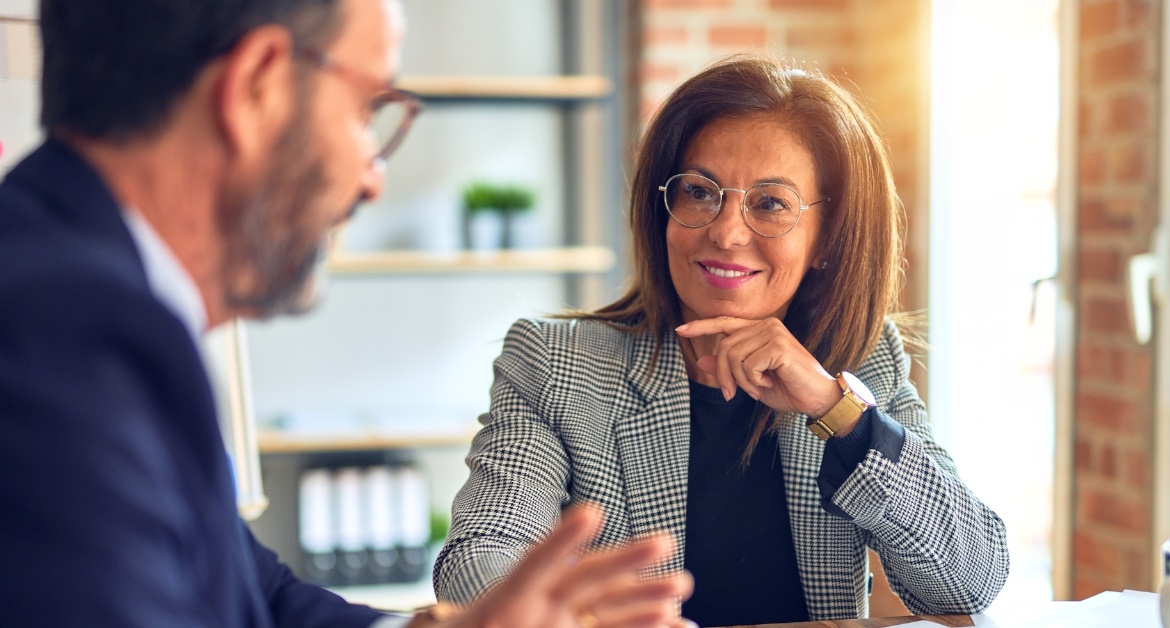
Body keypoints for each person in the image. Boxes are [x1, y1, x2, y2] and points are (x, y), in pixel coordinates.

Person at [0, 0, 694, 626]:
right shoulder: (65, 336)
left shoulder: (93, 296)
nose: (373, 175)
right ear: (256, 88)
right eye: (365, 110)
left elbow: (253, 596)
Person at [434, 56, 1011, 626]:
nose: (727, 231)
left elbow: (971, 578)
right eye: (699, 192)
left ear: (827, 240)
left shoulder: (863, 361)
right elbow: (479, 556)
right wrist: (566, 616)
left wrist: (836, 411)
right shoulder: (555, 362)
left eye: (770, 203)